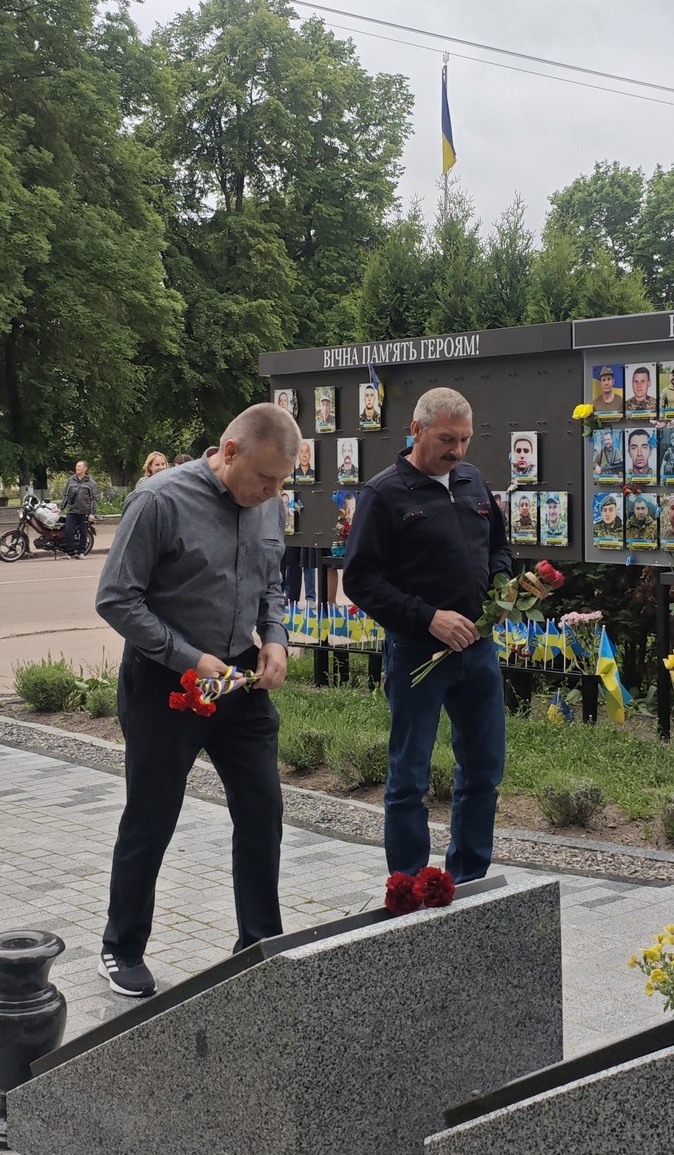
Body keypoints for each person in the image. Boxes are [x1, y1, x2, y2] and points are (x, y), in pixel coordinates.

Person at [94, 401, 297, 996]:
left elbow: (272, 583)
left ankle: (258, 942)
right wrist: (188, 658)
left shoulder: (268, 502)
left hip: (239, 680)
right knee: (152, 814)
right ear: (229, 452)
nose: (273, 493)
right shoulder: (159, 500)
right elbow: (116, 598)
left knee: (262, 809)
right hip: (166, 683)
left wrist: (275, 637)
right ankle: (121, 948)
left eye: (282, 482)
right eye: (265, 479)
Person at [344, 387, 511, 884]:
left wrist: (502, 586)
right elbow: (361, 580)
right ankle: (410, 888)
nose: (457, 451)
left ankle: (469, 879)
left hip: (477, 651)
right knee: (409, 778)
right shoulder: (383, 494)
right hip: (417, 654)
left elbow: (499, 547)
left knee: (483, 771)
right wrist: (428, 618)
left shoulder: (473, 481)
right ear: (416, 431)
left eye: (465, 439)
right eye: (446, 439)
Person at [61, 461, 98, 557]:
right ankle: (69, 552)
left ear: (85, 469)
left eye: (79, 466)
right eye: (76, 466)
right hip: (72, 511)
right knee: (68, 531)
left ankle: (81, 552)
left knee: (83, 532)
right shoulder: (71, 480)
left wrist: (92, 513)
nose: (77, 468)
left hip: (84, 512)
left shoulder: (91, 483)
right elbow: (66, 496)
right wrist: (60, 508)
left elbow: (94, 499)